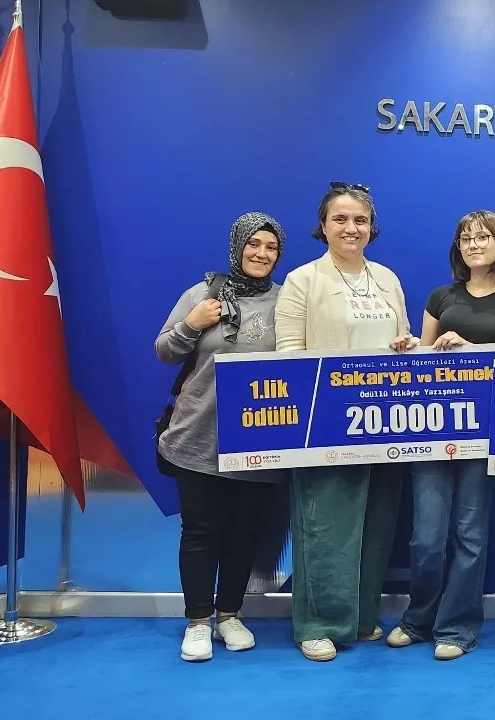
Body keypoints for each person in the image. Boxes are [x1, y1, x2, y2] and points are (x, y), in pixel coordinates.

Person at [386, 210, 495, 661]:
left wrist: (474, 352)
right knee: (426, 536)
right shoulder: (440, 297)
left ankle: (457, 627)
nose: (474, 245)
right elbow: (425, 358)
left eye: (483, 237)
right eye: (466, 238)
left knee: (470, 534)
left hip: (485, 434)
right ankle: (418, 619)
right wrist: (409, 346)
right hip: (434, 429)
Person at [274, 182, 415, 662]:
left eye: (360, 220)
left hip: (385, 423)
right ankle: (317, 623)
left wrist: (407, 347)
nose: (351, 228)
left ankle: (362, 617)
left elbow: (402, 342)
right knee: (325, 526)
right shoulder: (303, 280)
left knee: (376, 523)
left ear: (371, 227)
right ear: (324, 226)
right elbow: (289, 354)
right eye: (340, 219)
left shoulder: (388, 279)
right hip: (326, 425)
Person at [155, 212, 287, 662]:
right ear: (238, 246)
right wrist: (192, 324)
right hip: (198, 435)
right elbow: (165, 350)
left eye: (271, 247)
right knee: (200, 530)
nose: (261, 254)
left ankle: (229, 614)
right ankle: (197, 621)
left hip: (258, 439)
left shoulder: (287, 300)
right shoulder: (202, 293)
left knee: (243, 532)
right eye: (254, 244)